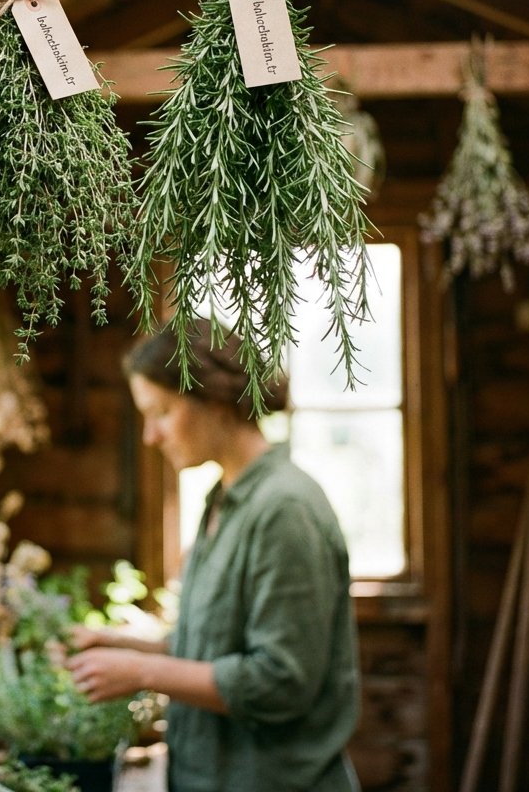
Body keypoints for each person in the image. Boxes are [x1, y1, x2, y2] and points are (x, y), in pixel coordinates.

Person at [65, 320, 361, 792]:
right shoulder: (222, 499)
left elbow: (280, 682)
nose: (150, 436)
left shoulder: (284, 510)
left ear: (216, 399)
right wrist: (122, 646)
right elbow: (212, 650)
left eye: (161, 411)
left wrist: (144, 673)